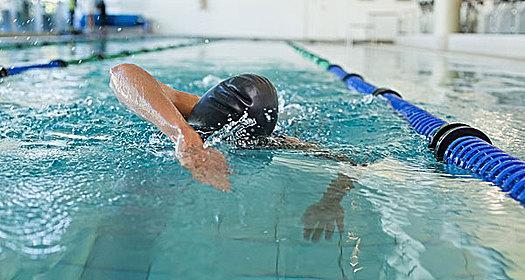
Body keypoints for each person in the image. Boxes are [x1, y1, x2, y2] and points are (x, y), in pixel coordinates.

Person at [110, 64, 357, 241]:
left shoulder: (270, 141)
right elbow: (121, 73)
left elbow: (352, 162)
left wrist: (331, 200)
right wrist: (183, 135)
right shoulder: (195, 110)